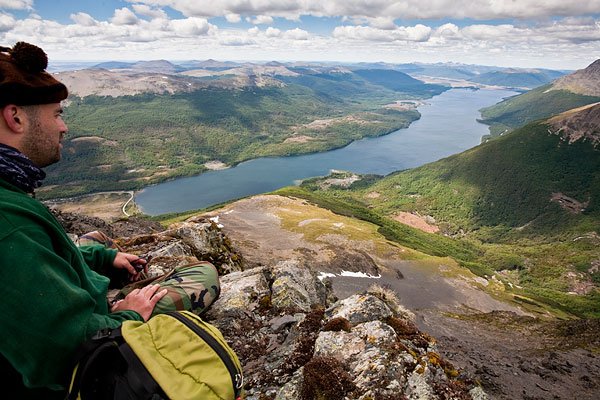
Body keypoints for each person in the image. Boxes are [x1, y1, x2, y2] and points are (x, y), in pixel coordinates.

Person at [0, 42, 220, 397]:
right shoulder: (9, 224)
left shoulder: (9, 193)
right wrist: (126, 315)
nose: (64, 127)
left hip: (53, 309)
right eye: (56, 114)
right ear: (16, 117)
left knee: (97, 240)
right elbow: (65, 348)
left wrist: (103, 259)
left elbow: (43, 257)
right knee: (203, 274)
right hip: (86, 349)